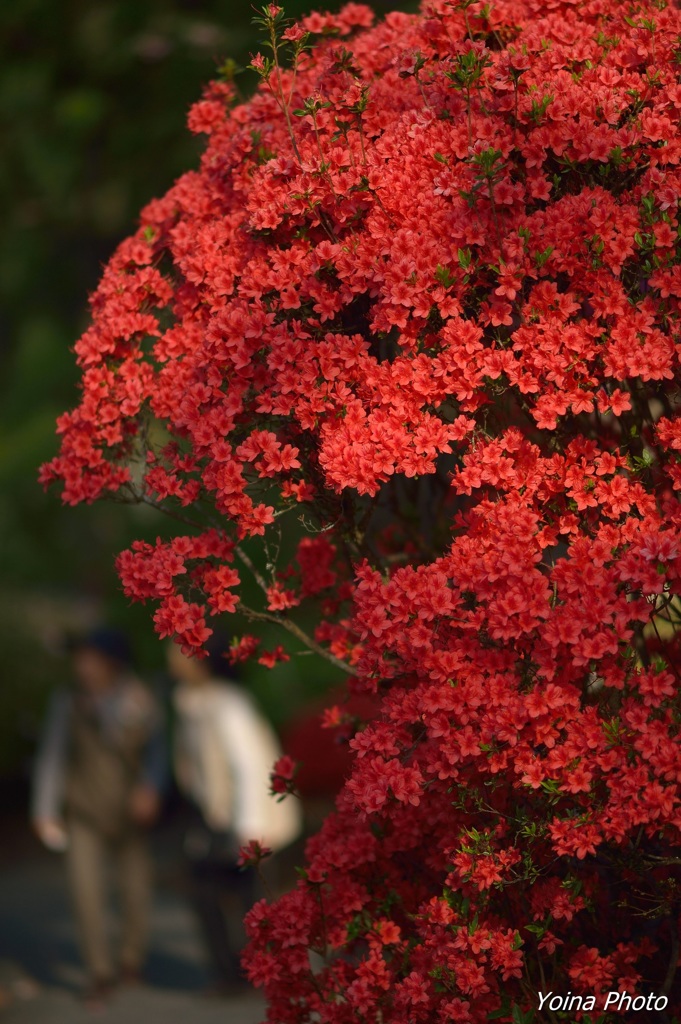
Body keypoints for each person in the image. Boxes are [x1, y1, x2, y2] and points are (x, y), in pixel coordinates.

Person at [32, 627, 166, 1007]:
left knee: (135, 890)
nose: (83, 667)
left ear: (112, 662)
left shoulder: (139, 698)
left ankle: (130, 958)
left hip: (128, 812)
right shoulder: (67, 700)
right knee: (85, 892)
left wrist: (152, 788)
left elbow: (157, 751)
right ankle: (99, 971)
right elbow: (52, 757)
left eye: (91, 658)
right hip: (83, 812)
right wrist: (44, 810)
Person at [167, 638, 301, 995]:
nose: (171, 658)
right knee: (205, 893)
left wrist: (249, 827)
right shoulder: (190, 702)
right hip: (213, 817)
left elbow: (249, 768)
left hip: (246, 820)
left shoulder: (228, 706)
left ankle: (268, 975)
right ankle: (229, 974)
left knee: (251, 902)